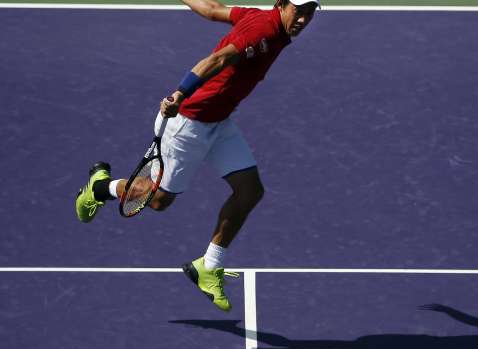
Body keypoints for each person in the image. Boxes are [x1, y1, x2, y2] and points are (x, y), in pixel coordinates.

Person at [75, 0, 320, 312]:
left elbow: (212, 9)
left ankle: (208, 264)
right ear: (281, 5)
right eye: (299, 11)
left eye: (309, 12)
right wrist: (180, 94)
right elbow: (218, 59)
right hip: (187, 124)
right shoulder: (262, 29)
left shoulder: (258, 17)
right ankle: (101, 187)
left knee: (250, 191)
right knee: (159, 201)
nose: (303, 19)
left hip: (219, 121)